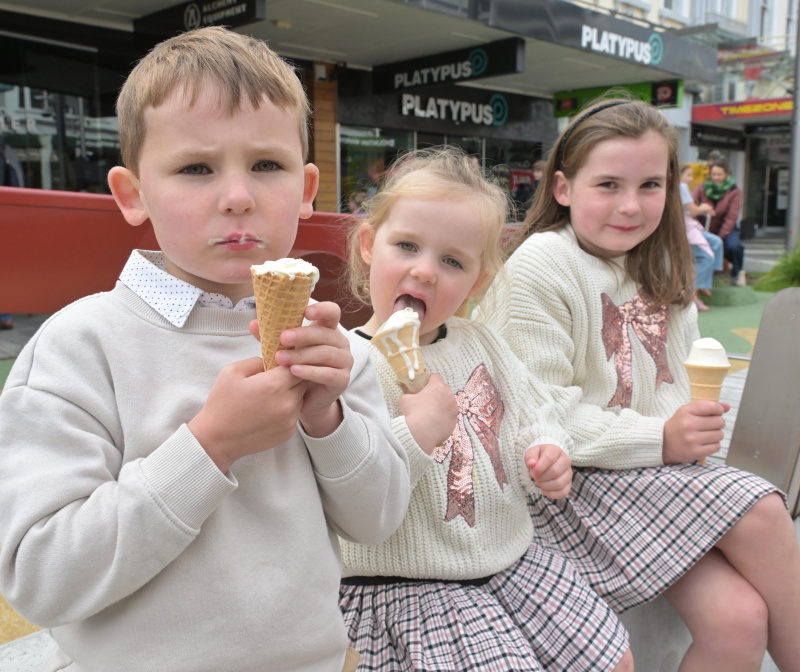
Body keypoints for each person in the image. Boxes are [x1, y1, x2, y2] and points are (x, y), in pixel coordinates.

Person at [0, 27, 410, 672]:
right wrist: (210, 445)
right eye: (196, 168)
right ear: (132, 195)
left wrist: (329, 422)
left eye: (266, 165)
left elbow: (379, 522)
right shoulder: (80, 347)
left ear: (306, 189)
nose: (239, 195)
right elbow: (42, 576)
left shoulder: (334, 349)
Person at [480, 99, 800, 671]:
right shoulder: (543, 265)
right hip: (569, 487)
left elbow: (675, 389)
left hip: (649, 481)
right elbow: (536, 414)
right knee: (762, 512)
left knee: (738, 620)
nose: (631, 205)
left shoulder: (662, 267)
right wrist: (664, 440)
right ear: (563, 188)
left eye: (651, 185)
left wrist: (684, 432)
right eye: (608, 184)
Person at [338, 146, 633, 671]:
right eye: (407, 246)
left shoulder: (481, 342)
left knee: (615, 660)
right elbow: (351, 488)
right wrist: (415, 430)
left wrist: (547, 449)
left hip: (510, 562)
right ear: (368, 245)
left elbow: (533, 410)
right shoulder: (348, 364)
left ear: (476, 282)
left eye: (452, 261)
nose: (425, 271)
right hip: (410, 586)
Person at [693, 159, 746, 287]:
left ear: (727, 174)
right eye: (713, 174)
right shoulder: (702, 187)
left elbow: (731, 217)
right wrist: (700, 208)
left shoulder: (734, 190)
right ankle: (700, 279)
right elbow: (690, 202)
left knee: (733, 247)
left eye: (719, 174)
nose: (715, 177)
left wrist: (720, 237)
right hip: (703, 226)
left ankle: (738, 272)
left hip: (726, 228)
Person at [679, 164, 723, 311]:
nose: (691, 178)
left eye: (692, 175)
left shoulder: (683, 187)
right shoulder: (682, 186)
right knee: (706, 257)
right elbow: (693, 211)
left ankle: (705, 281)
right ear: (680, 176)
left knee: (716, 242)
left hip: (689, 225)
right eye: (688, 175)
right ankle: (693, 292)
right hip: (685, 228)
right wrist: (703, 208)